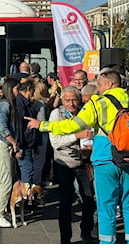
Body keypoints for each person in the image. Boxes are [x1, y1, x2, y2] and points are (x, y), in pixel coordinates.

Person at [26, 69, 129, 244]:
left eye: (100, 84)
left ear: (109, 84)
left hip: (105, 161)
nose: (97, 87)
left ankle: (107, 243)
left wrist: (43, 125)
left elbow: (73, 125)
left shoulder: (99, 103)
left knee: (106, 208)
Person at [48, 86, 96, 244]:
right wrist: (76, 135)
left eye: (74, 100)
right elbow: (55, 142)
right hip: (64, 163)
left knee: (89, 199)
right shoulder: (56, 115)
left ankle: (86, 231)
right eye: (67, 100)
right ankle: (65, 239)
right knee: (66, 201)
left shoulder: (85, 113)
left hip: (84, 162)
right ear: (62, 100)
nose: (71, 103)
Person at [0, 78, 21, 228]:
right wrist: (14, 142)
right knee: (5, 180)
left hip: (1, 144)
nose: (18, 92)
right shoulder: (5, 105)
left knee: (3, 179)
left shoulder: (4, 104)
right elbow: (3, 129)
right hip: (2, 144)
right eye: (16, 89)